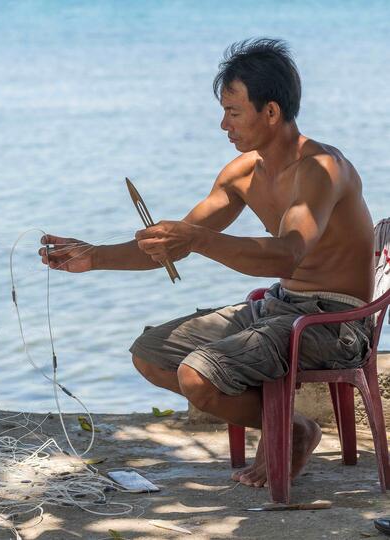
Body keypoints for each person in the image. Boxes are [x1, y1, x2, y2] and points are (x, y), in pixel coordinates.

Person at [39, 38, 375, 488]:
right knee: (151, 354)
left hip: (334, 323)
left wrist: (199, 239)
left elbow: (285, 252)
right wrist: (92, 256)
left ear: (270, 112)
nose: (223, 124)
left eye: (234, 112)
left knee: (199, 376)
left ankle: (291, 432)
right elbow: (172, 246)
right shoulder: (241, 173)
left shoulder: (321, 169)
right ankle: (291, 426)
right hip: (279, 308)